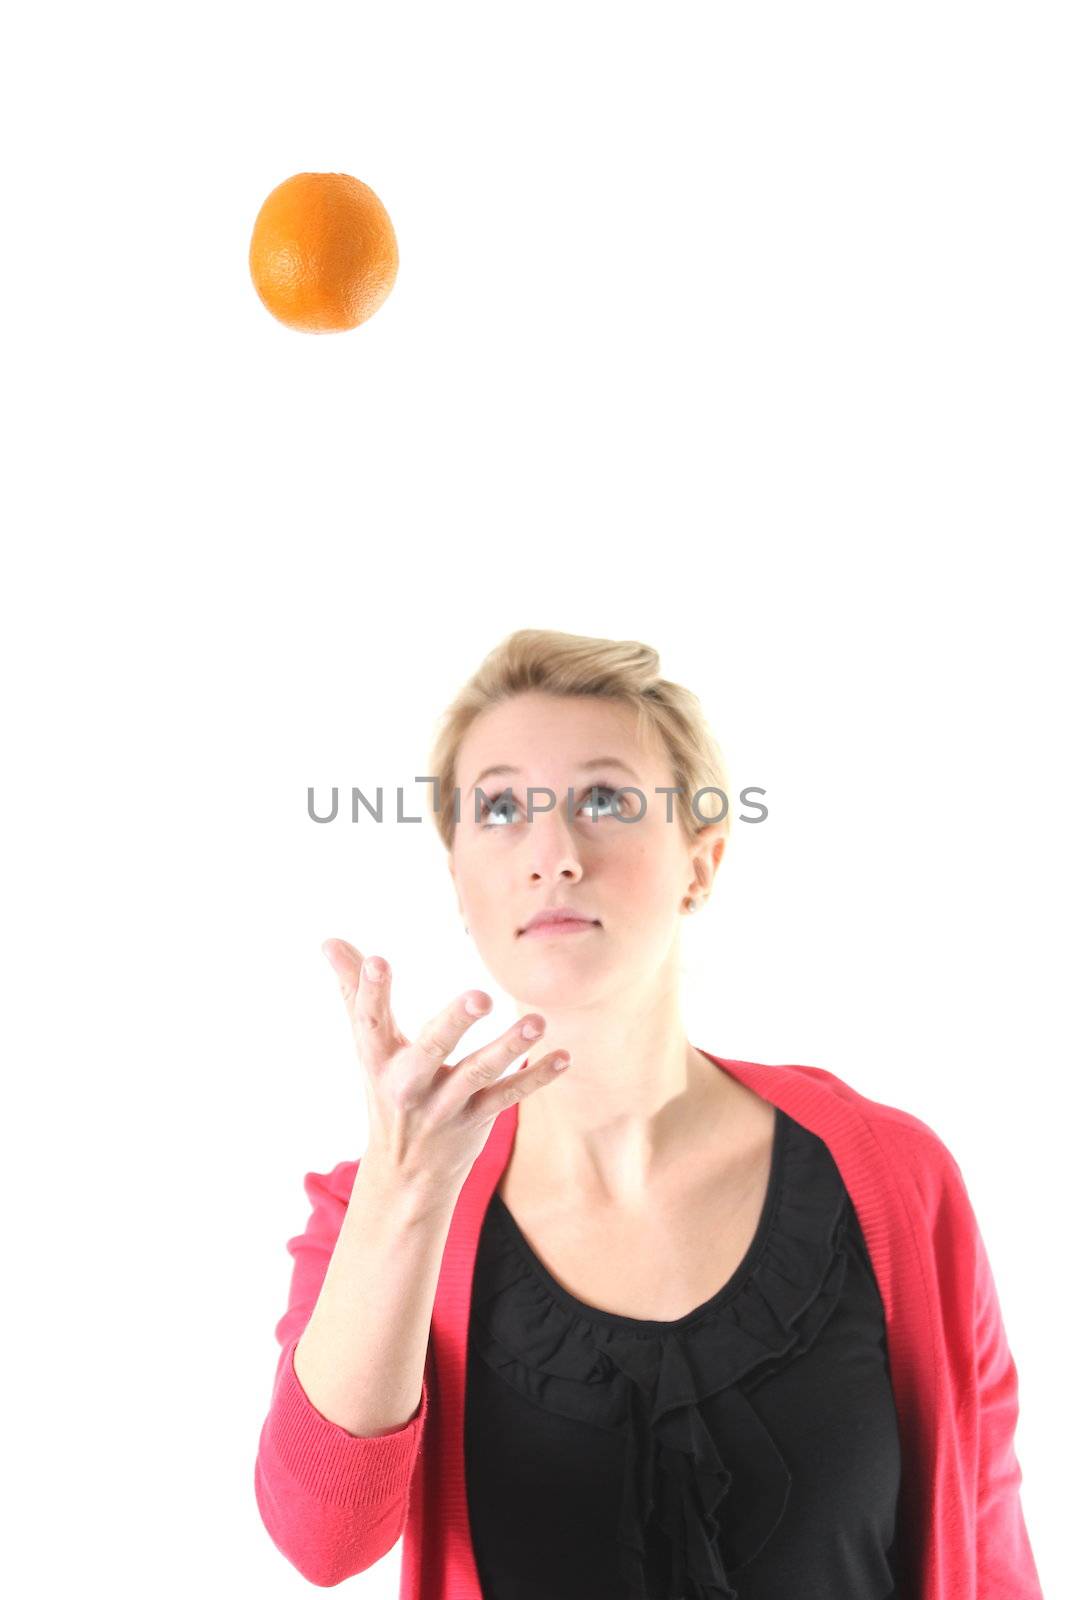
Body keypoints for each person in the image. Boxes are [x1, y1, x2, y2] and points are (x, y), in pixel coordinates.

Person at [254, 628, 1043, 1599]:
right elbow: (319, 1539)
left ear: (699, 862)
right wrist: (404, 1191)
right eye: (498, 807)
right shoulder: (372, 1215)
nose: (553, 853)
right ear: (458, 882)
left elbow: (986, 1541)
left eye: (603, 799)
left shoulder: (893, 1175)